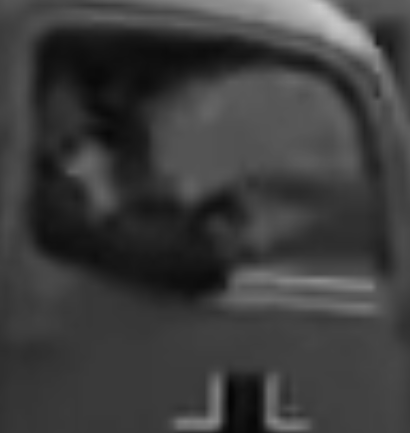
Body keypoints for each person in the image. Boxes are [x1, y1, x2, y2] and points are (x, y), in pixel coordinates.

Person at [30, 58, 249, 298]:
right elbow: (133, 255)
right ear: (42, 103)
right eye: (75, 95)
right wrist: (212, 245)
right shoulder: (45, 195)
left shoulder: (62, 176)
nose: (84, 113)